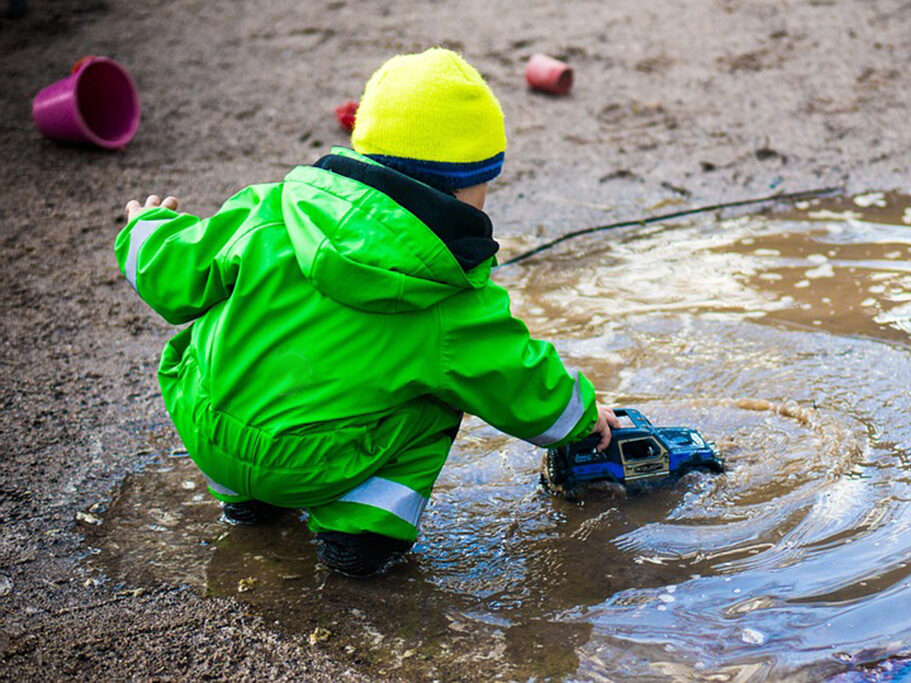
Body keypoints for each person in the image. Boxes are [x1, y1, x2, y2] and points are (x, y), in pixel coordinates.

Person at [115, 48, 619, 578]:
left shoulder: (270, 209)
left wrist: (144, 229)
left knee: (228, 335)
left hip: (207, 428)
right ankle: (361, 535)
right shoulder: (451, 297)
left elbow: (175, 271)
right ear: (471, 184)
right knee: (443, 393)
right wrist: (584, 420)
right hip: (311, 464)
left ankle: (249, 503)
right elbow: (517, 379)